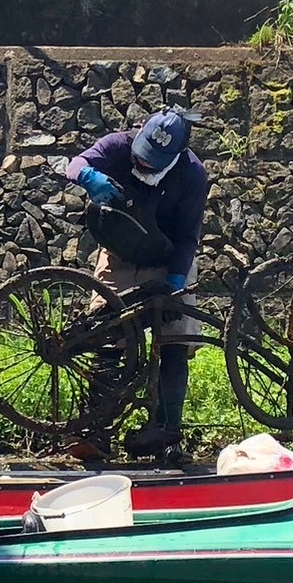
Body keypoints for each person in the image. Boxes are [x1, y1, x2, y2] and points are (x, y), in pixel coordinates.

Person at [65, 108, 209, 462]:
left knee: (175, 340)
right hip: (119, 255)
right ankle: (95, 432)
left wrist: (176, 281)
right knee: (105, 333)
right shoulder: (117, 146)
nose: (145, 166)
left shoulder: (192, 175)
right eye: (142, 159)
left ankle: (167, 433)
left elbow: (189, 237)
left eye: (154, 162)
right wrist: (88, 176)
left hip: (169, 258)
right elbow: (75, 163)